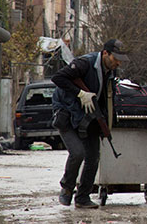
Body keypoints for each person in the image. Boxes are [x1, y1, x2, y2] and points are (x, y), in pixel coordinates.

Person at [51, 39, 129, 208]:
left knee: (93, 157)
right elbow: (58, 78)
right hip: (67, 114)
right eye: (116, 58)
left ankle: (83, 197)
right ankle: (67, 188)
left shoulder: (111, 72)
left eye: (120, 59)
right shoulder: (85, 63)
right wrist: (80, 93)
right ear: (105, 53)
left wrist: (105, 123)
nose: (118, 62)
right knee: (78, 153)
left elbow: (104, 99)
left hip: (87, 117)